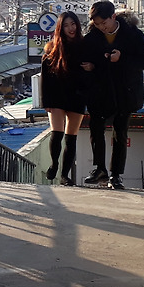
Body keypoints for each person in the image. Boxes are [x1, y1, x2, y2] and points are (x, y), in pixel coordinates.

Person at [80, 0, 144, 190]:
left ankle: (116, 174)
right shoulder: (92, 37)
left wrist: (122, 59)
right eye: (97, 24)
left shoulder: (133, 34)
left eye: (104, 23)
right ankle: (100, 169)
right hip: (100, 91)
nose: (101, 27)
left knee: (120, 132)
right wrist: (92, 66)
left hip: (125, 91)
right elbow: (86, 60)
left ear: (113, 17)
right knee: (96, 128)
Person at [39, 11, 87, 185]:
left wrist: (91, 67)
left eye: (73, 24)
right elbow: (44, 77)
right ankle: (54, 164)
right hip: (56, 96)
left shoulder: (85, 46)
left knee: (71, 138)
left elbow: (93, 71)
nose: (70, 28)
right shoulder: (51, 48)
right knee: (57, 133)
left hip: (77, 96)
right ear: (60, 28)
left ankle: (65, 175)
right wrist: (45, 102)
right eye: (66, 25)